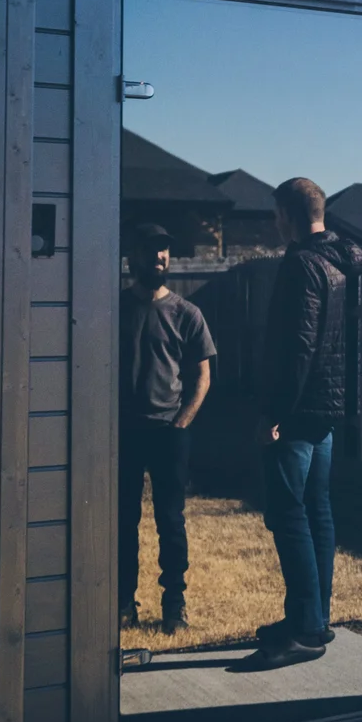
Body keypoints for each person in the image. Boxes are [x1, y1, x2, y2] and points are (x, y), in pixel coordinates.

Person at [234, 177, 362, 672]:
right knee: (316, 510)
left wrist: (274, 413)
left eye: (276, 215)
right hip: (327, 407)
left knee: (288, 514)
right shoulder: (340, 260)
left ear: (288, 214)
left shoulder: (302, 264)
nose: (274, 223)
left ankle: (306, 631)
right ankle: (311, 618)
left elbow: (298, 346)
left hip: (299, 409)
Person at [119, 225, 215, 633]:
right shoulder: (116, 309)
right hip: (123, 434)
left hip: (169, 433)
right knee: (122, 522)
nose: (160, 257)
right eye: (152, 249)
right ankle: (123, 604)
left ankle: (174, 607)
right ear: (134, 257)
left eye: (164, 250)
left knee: (171, 522)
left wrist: (181, 423)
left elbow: (202, 376)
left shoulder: (186, 313)